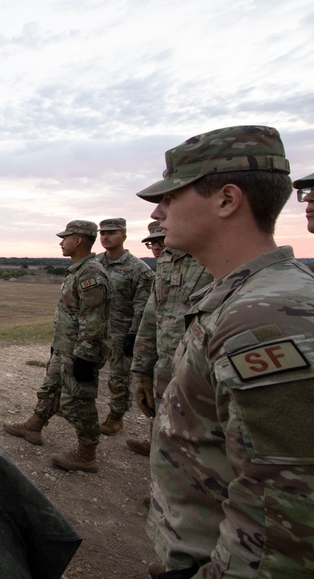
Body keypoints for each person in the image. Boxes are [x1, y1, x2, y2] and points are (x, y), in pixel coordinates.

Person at [137, 125, 314, 578]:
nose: (159, 212)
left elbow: (284, 520)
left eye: (172, 196)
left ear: (227, 200)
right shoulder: (245, 297)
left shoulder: (266, 318)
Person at [3, 220, 111, 472]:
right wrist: (58, 347)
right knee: (51, 387)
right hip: (65, 348)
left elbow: (94, 320)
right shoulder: (77, 270)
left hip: (79, 352)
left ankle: (87, 455)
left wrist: (84, 357)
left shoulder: (91, 274)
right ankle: (33, 427)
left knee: (79, 401)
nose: (61, 242)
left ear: (79, 240)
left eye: (65, 237)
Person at [126, 223, 212, 459]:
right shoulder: (165, 262)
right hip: (163, 361)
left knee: (193, 428)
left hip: (195, 363)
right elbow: (152, 315)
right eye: (153, 242)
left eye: (160, 240)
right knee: (158, 410)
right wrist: (141, 368)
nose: (158, 246)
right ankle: (159, 446)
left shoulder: (208, 257)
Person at [95, 218, 154, 435]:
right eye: (103, 233)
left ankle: (116, 417)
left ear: (124, 236)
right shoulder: (95, 263)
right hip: (96, 329)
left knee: (119, 377)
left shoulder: (139, 269)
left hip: (121, 332)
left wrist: (134, 334)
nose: (106, 237)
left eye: (111, 232)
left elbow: (143, 307)